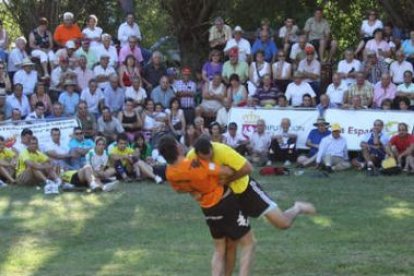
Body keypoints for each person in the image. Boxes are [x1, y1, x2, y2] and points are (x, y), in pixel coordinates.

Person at [187, 137, 316, 276]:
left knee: (283, 223)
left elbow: (248, 168)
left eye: (210, 157)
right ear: (197, 153)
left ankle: (297, 207)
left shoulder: (222, 151)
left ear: (212, 149)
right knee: (230, 243)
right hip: (226, 200)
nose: (208, 161)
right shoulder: (191, 159)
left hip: (245, 190)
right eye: (204, 159)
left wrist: (226, 180)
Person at [158, 135, 255, 276]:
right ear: (177, 148)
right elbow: (227, 172)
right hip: (225, 203)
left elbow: (179, 189)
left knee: (219, 249)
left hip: (207, 208)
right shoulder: (197, 164)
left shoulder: (170, 172)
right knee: (248, 243)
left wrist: (194, 190)